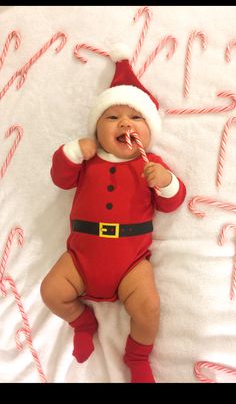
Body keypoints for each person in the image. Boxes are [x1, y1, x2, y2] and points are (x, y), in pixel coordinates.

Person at [40, 44, 186, 383]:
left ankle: (137, 356)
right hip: (80, 259)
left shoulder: (150, 165)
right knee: (51, 292)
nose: (125, 123)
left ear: (149, 133)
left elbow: (172, 202)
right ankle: (82, 321)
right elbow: (60, 180)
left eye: (136, 118)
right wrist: (73, 151)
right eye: (112, 117)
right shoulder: (87, 159)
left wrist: (165, 182)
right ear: (97, 128)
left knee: (148, 308)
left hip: (130, 264)